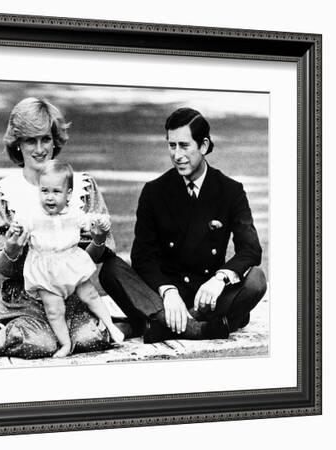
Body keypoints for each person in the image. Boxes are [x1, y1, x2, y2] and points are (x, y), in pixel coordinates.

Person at [0, 97, 118, 358]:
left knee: (88, 339)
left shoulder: (80, 187)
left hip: (72, 295)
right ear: (17, 145)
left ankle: (103, 325)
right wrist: (10, 249)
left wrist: (98, 240)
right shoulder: (2, 194)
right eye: (30, 140)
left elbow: (86, 260)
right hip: (24, 299)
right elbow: (3, 269)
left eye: (45, 138)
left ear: (55, 140)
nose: (40, 148)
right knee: (41, 344)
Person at [100, 107, 267, 342]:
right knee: (110, 270)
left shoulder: (230, 191)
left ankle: (151, 323)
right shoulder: (154, 191)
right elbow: (142, 256)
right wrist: (168, 291)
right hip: (164, 297)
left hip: (207, 298)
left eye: (184, 145)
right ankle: (199, 328)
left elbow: (251, 249)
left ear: (205, 145)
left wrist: (220, 279)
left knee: (256, 280)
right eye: (171, 145)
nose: (177, 155)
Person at [14, 160, 124, 357]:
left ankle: (110, 326)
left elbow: (89, 222)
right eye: (44, 191)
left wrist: (98, 224)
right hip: (44, 270)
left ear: (69, 194)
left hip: (70, 262)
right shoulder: (33, 215)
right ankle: (65, 344)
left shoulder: (73, 212)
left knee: (89, 294)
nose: (49, 197)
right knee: (54, 309)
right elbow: (21, 225)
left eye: (56, 192)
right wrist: (16, 229)